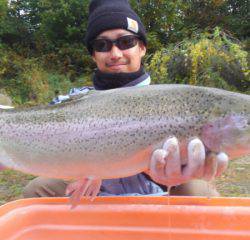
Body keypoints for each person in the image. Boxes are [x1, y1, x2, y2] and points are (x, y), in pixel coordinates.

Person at [23, 0, 228, 199]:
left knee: (199, 192)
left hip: (155, 193)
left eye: (126, 42)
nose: (115, 53)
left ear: (142, 48)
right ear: (93, 55)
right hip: (93, 191)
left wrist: (167, 172)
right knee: (37, 190)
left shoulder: (169, 102)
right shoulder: (72, 101)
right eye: (102, 45)